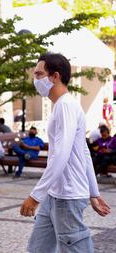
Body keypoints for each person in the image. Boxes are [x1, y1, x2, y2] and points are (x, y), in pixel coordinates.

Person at [20, 53, 110, 253]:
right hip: (55, 194)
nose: (35, 79)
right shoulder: (60, 106)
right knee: (37, 248)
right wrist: (94, 193)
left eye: (39, 73)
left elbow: (61, 155)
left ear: (55, 76)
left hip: (67, 197)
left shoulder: (66, 106)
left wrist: (35, 196)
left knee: (74, 248)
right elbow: (83, 152)